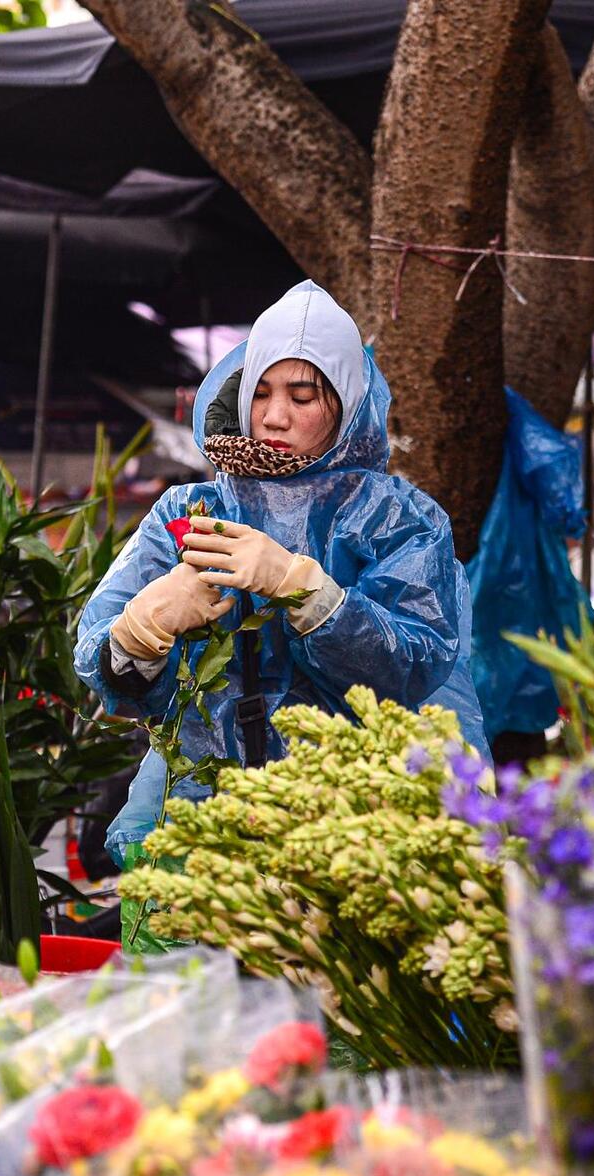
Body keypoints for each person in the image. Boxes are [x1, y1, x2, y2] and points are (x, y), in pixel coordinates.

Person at [76, 280, 489, 878]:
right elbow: (108, 673)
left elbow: (415, 669)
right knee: (194, 973)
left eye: (303, 396)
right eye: (262, 392)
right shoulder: (183, 514)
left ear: (344, 404)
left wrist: (313, 596)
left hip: (350, 824)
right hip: (198, 819)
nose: (274, 416)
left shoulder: (401, 520)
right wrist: (141, 632)